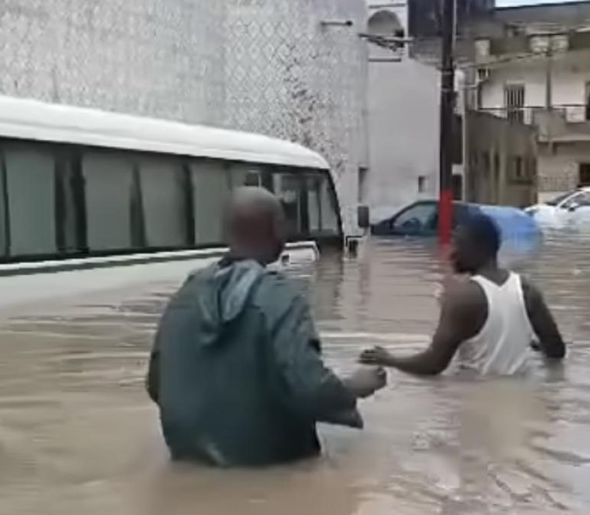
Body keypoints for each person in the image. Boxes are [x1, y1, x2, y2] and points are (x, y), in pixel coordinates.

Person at [145, 187, 387, 467]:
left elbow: (156, 386)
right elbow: (310, 389)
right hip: (269, 468)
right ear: (277, 228)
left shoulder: (184, 296)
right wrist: (354, 387)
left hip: (189, 465)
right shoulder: (281, 297)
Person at [359, 213, 566, 377]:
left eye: (458, 243)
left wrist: (389, 359)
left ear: (477, 248)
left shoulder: (463, 297)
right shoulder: (528, 290)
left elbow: (433, 365)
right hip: (522, 398)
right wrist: (529, 343)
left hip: (477, 402)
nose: (451, 253)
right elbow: (556, 351)